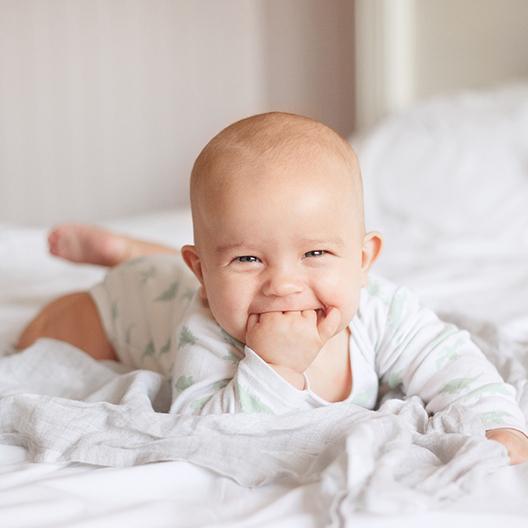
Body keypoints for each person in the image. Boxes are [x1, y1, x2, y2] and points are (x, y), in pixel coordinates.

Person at [16, 112, 528, 464]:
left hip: (175, 278)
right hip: (133, 302)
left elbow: (452, 361)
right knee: (42, 337)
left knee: (191, 269)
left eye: (316, 253)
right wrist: (276, 368)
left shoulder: (382, 310)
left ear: (364, 258)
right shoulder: (209, 331)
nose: (283, 284)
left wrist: (497, 423)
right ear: (204, 273)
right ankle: (127, 260)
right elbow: (207, 433)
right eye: (248, 258)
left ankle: (132, 248)